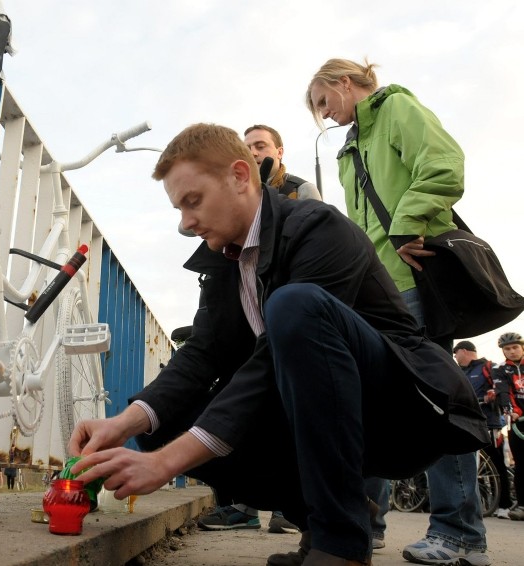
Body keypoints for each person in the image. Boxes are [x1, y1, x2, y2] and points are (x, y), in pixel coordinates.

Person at [68, 123, 487, 566]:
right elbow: (200, 353)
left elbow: (273, 357)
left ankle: (340, 544)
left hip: (398, 408)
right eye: (179, 209)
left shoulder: (317, 227)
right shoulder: (223, 260)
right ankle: (324, 518)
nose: (186, 223)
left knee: (295, 305)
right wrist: (125, 423)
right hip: (310, 407)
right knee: (161, 423)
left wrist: (170, 463)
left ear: (239, 176)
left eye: (193, 201)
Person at [306, 58, 490, 566]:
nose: (325, 115)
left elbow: (444, 163)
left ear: (344, 82)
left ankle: (461, 534)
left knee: (437, 401)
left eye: (324, 102)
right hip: (375, 288)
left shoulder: (397, 110)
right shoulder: (349, 147)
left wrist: (405, 226)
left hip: (411, 280)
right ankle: (364, 526)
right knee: (370, 401)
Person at [194, 124, 319, 536]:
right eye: (247, 147)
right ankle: (243, 504)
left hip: (285, 309)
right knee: (239, 392)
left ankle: (295, 504)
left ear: (280, 151)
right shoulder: (230, 200)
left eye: (261, 146)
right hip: (248, 308)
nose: (254, 152)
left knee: (291, 404)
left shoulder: (300, 193)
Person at [454, 340, 514, 518]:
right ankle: (486, 504)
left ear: (464, 351)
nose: (455, 358)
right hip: (466, 425)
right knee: (477, 469)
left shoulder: (489, 367)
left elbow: (502, 390)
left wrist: (493, 396)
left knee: (496, 466)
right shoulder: (460, 372)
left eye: (456, 353)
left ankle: (504, 505)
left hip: (489, 424)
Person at [492, 332, 524, 521]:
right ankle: (521, 504)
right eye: (507, 349)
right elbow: (504, 392)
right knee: (521, 464)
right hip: (518, 422)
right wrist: (512, 411)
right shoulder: (500, 369)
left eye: (515, 347)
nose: (511, 351)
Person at [244, 124, 322, 201]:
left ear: (279, 153)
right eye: (247, 149)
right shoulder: (238, 193)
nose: (252, 153)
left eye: (260, 146)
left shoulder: (303, 190)